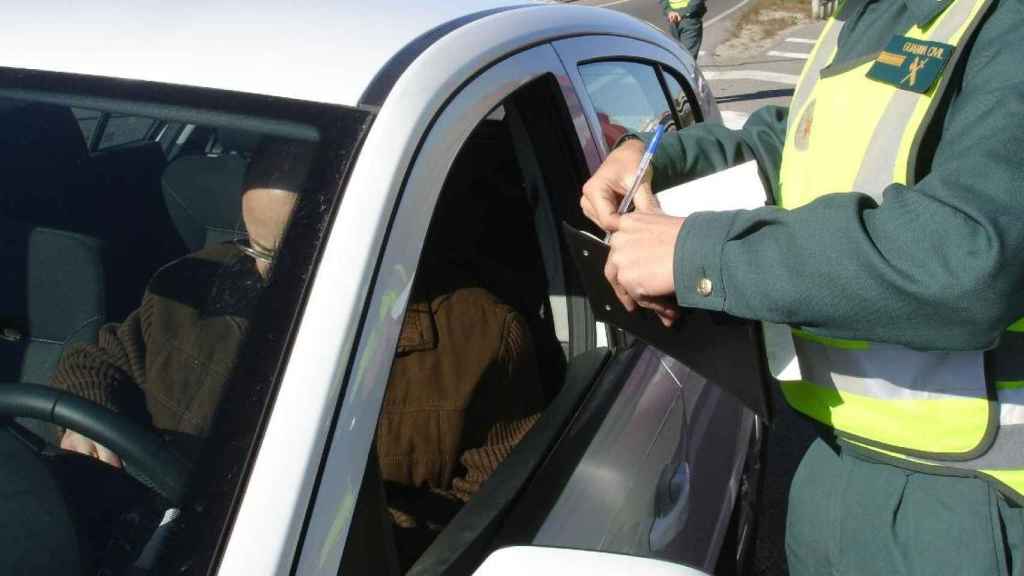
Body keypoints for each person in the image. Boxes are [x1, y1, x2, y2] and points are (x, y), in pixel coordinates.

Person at [581, 0, 1024, 573]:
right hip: (831, 455)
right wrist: (658, 158)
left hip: (966, 498)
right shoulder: (860, 19)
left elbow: (969, 259)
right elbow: (797, 147)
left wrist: (700, 254)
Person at [54, 136, 544, 562]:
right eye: (257, 248)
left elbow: (495, 507)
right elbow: (100, 359)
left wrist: (353, 526)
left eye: (294, 254)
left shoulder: (480, 337)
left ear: (374, 226)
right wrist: (83, 411)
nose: (268, 274)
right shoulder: (190, 286)